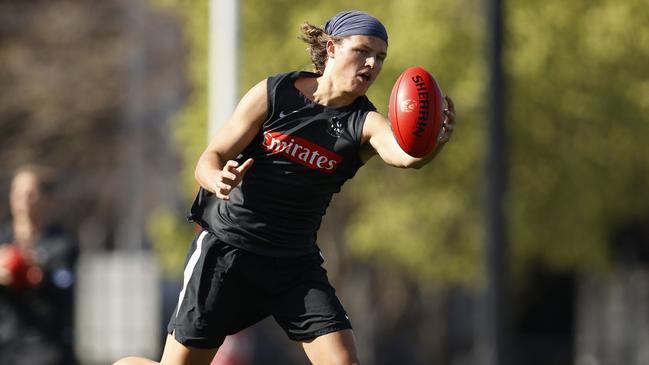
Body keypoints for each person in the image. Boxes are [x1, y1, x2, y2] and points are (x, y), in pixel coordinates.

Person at [114, 9, 456, 365]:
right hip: (228, 252)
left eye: (380, 57)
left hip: (294, 264)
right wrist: (218, 178)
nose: (372, 63)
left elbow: (406, 156)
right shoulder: (275, 92)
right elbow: (210, 156)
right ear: (332, 48)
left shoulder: (364, 123)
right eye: (363, 51)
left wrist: (435, 139)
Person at [0, 165, 78, 365]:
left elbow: (62, 285)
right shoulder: (3, 241)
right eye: (17, 194)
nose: (23, 201)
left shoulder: (61, 244)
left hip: (46, 349)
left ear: (47, 200)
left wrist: (27, 271)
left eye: (30, 194)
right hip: (7, 347)